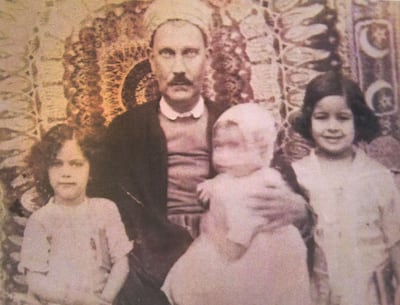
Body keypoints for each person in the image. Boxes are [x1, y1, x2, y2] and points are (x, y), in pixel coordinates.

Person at [100, 1, 310, 304]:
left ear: (207, 57)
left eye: (190, 52)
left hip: (232, 251)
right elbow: (108, 204)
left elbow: (280, 178)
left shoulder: (235, 121)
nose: (179, 69)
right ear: (151, 59)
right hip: (151, 258)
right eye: (167, 53)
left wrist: (299, 207)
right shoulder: (125, 130)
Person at [161, 103, 311, 305]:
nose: (223, 155)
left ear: (261, 147)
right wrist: (212, 185)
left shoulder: (263, 185)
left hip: (253, 253)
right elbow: (227, 184)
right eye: (218, 146)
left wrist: (217, 243)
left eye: (234, 146)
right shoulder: (234, 176)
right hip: (227, 243)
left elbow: (241, 234)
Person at [292, 71, 400, 305]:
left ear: (358, 120)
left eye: (342, 118)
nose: (332, 127)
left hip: (370, 293)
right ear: (309, 119)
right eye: (322, 117)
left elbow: (395, 243)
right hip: (317, 291)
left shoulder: (378, 177)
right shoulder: (298, 175)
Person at [19, 124, 133, 305]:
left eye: (76, 164)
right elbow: (35, 279)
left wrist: (105, 300)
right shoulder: (41, 219)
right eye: (56, 164)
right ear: (45, 169)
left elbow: (121, 261)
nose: (66, 173)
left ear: (92, 169)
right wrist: (77, 299)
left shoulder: (105, 209)